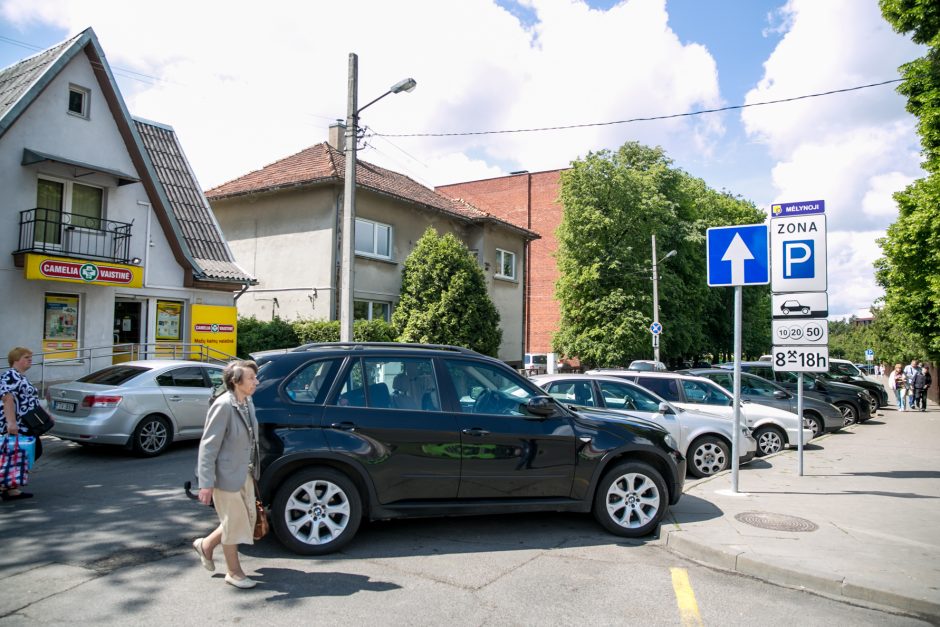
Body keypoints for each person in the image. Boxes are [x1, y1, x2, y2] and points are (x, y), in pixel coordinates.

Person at [193, 360, 261, 589]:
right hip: (225, 476)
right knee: (234, 523)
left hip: (245, 473)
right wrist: (206, 483)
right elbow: (208, 446)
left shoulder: (247, 402)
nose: (256, 382)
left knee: (246, 519)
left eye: (255, 377)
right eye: (251, 378)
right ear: (235, 381)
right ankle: (234, 572)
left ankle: (206, 544)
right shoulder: (223, 405)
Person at [1, 347, 45, 501]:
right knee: (24, 452)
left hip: (26, 424)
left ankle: (11, 488)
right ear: (16, 360)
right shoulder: (10, 375)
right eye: (26, 357)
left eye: (30, 357)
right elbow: (7, 398)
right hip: (17, 424)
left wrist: (46, 416)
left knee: (19, 453)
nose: (30, 359)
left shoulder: (21, 376)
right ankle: (6, 485)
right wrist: (11, 423)